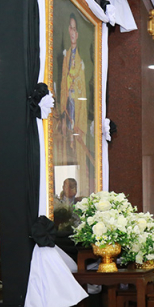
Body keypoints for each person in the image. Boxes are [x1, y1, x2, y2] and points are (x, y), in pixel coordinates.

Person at [58, 13, 92, 195]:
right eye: (70, 28)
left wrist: (78, 123)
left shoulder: (80, 63)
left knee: (77, 151)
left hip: (76, 115)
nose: (72, 32)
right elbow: (64, 86)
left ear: (77, 34)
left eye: (75, 29)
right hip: (66, 112)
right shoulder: (65, 59)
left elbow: (82, 96)